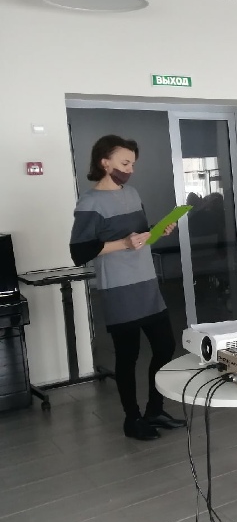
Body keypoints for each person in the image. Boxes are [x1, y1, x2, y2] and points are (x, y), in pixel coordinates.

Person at [70, 135, 185, 441]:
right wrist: (122, 243)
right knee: (128, 355)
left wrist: (157, 231)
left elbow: (139, 236)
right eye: (124, 163)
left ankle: (155, 410)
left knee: (165, 346)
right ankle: (132, 419)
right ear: (104, 162)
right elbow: (80, 251)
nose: (130, 170)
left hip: (147, 283)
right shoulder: (90, 202)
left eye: (133, 164)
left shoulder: (132, 194)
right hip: (119, 289)